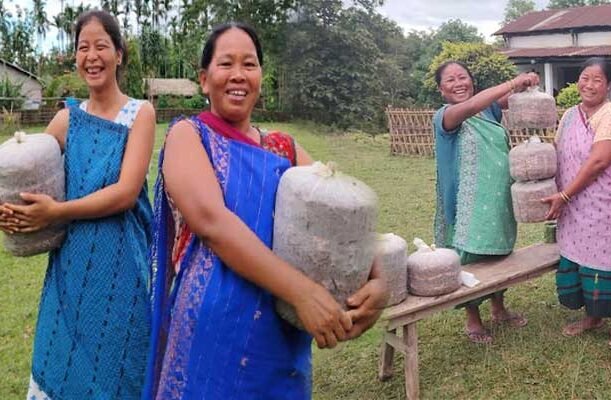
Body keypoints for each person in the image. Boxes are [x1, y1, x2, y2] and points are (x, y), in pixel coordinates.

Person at [143, 23, 387, 400]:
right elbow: (212, 223)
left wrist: (379, 280)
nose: (238, 74)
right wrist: (303, 293)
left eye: (249, 64)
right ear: (204, 79)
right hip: (211, 342)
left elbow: (340, 213)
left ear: (260, 77)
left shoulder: (284, 149)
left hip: (279, 343)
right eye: (226, 64)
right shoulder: (189, 135)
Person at [0, 10, 156, 399]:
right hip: (70, 274)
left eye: (101, 46)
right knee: (62, 365)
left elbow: (125, 192)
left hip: (122, 271)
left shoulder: (140, 113)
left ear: (119, 53)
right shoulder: (66, 119)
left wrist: (57, 212)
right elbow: (27, 178)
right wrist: (12, 211)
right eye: (83, 48)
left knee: (121, 370)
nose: (92, 56)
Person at [432, 61, 538, 344]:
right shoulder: (446, 116)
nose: (458, 84)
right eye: (451, 80)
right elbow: (474, 104)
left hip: (498, 198)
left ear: (472, 80)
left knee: (497, 253)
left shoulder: (487, 110)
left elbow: (503, 99)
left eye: (463, 77)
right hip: (468, 204)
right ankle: (473, 318)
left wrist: (525, 85)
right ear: (441, 89)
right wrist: (513, 82)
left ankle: (499, 308)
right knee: (469, 258)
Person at [541, 57, 611, 351]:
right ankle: (592, 317)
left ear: (608, 85)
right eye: (585, 78)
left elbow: (599, 161)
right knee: (580, 256)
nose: (589, 85)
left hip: (607, 202)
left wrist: (565, 195)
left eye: (597, 80)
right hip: (574, 202)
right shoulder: (570, 115)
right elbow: (558, 150)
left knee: (610, 258)